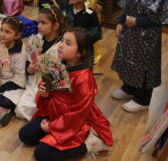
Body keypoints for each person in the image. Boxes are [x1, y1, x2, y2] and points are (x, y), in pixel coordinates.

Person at [19, 28, 113, 161]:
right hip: (54, 113)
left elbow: (79, 114)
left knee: (41, 154)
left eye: (68, 43)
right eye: (62, 40)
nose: (61, 45)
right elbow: (50, 92)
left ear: (80, 53)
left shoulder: (84, 79)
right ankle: (50, 138)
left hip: (74, 121)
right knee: (25, 135)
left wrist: (52, 127)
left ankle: (90, 144)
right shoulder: (60, 65)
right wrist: (44, 94)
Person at [15, 5, 66, 120]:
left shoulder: (61, 46)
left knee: (32, 109)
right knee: (20, 109)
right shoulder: (36, 39)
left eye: (43, 23)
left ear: (55, 26)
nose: (39, 26)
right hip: (33, 82)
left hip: (49, 88)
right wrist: (30, 69)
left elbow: (62, 75)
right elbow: (27, 63)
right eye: (38, 22)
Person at [62, 0, 101, 67]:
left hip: (83, 51)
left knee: (83, 74)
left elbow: (96, 34)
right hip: (67, 49)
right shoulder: (65, 10)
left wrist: (79, 40)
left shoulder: (91, 14)